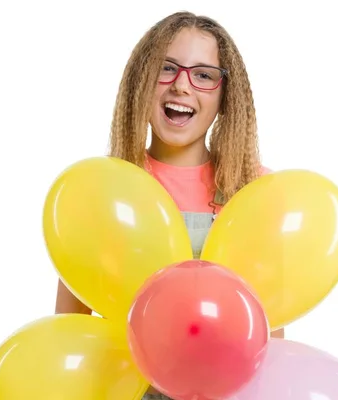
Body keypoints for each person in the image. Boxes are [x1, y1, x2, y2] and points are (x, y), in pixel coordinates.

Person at [55, 10, 284, 399]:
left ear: (226, 97)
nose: (182, 86)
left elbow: (271, 340)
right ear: (141, 82)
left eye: (204, 75)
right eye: (166, 68)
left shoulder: (254, 191)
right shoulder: (103, 191)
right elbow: (69, 335)